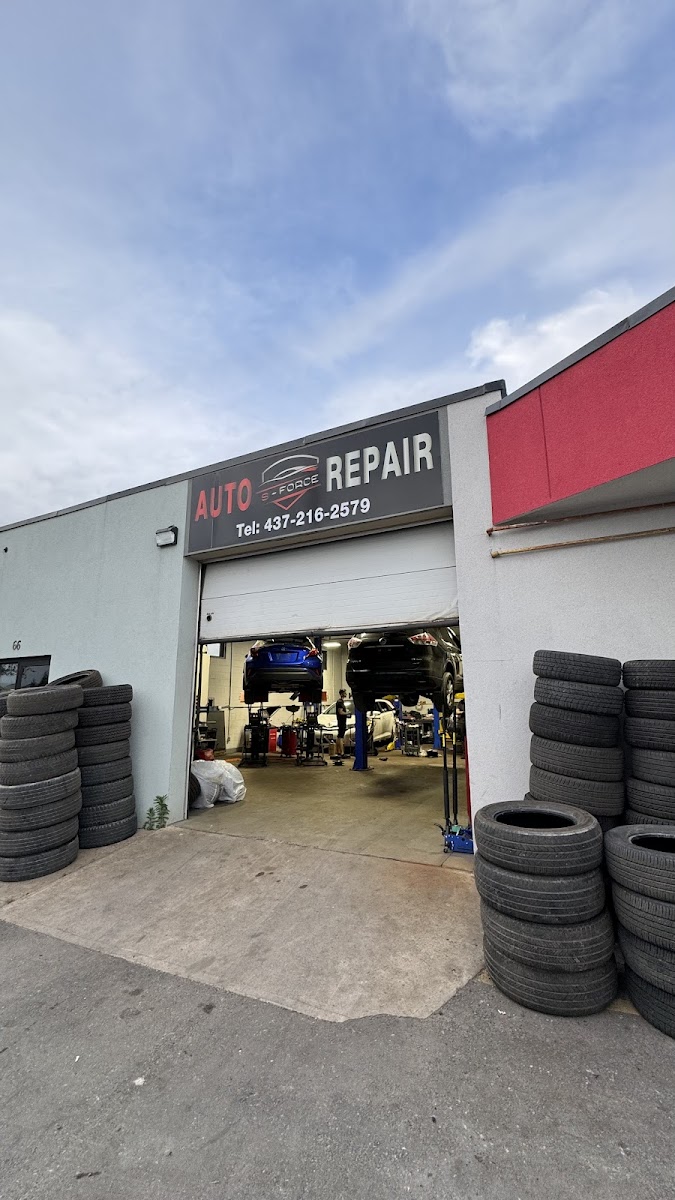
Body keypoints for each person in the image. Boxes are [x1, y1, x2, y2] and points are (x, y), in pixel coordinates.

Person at [335, 688, 348, 759]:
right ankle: (341, 752)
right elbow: (340, 712)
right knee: (341, 736)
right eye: (345, 693)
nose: (346, 694)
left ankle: (338, 751)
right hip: (341, 722)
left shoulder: (341, 702)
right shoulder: (339, 702)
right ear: (342, 693)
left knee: (339, 736)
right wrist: (347, 713)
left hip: (342, 721)